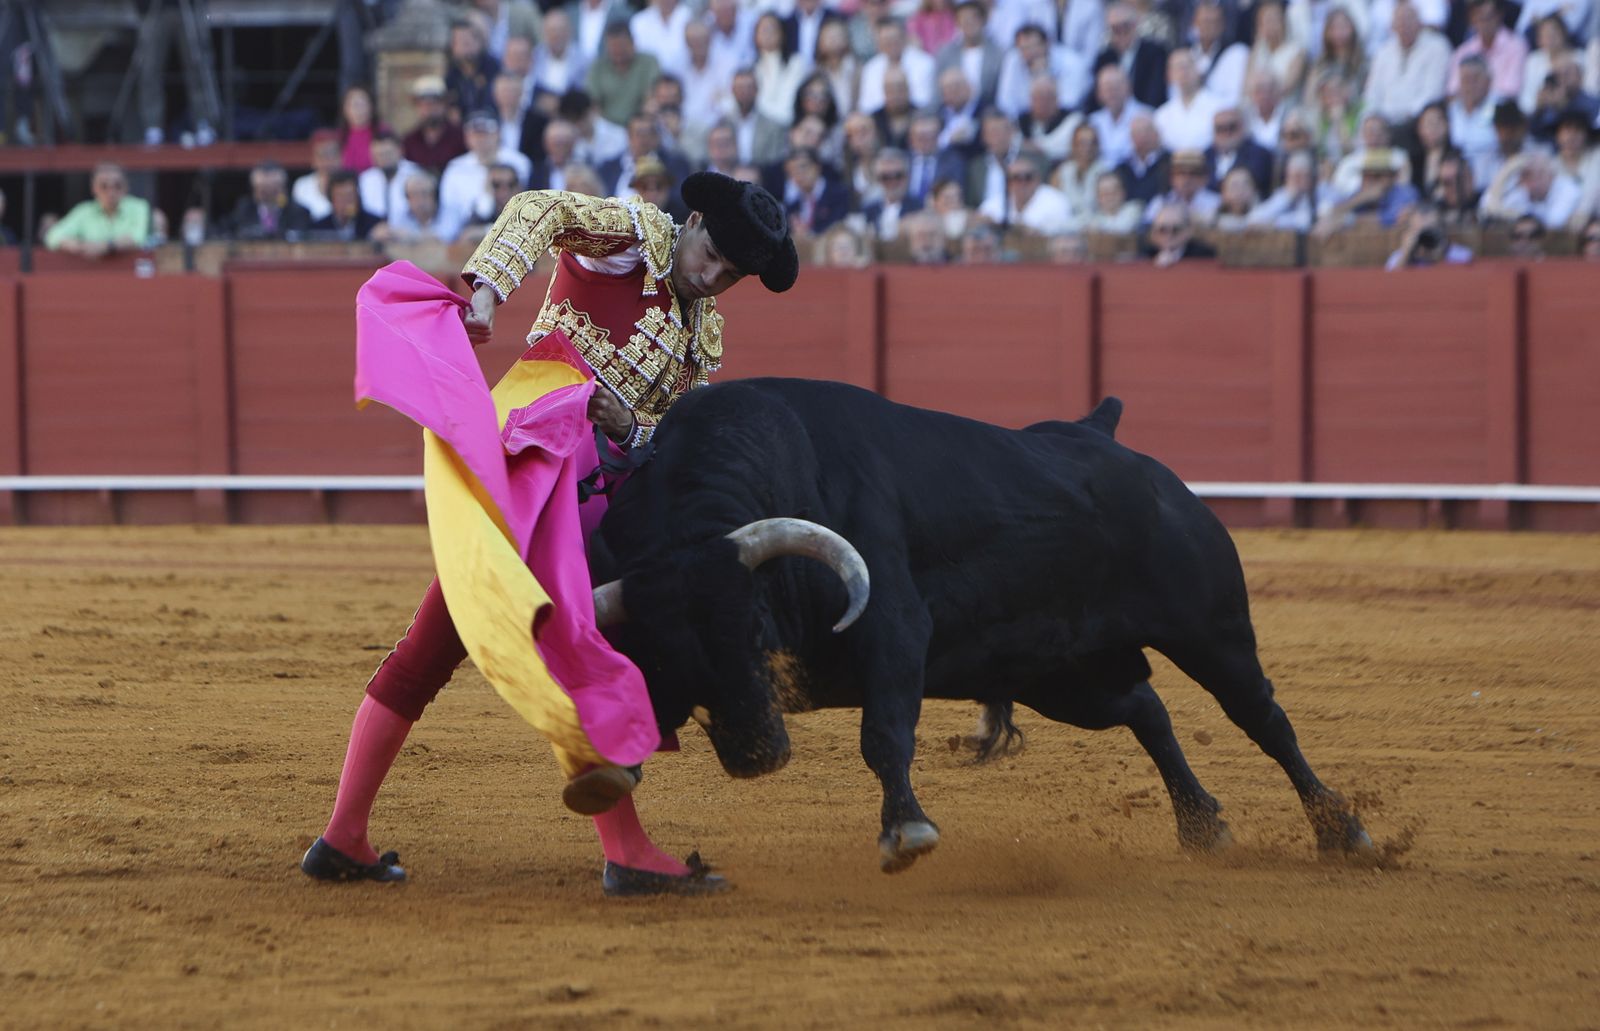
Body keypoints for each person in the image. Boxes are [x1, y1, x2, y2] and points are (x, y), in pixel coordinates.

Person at [303, 171, 800, 896]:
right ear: (692, 221)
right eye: (712, 253)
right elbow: (544, 209)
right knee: (575, 636)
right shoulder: (632, 241)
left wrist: (633, 426)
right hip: (537, 462)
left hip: (595, 495)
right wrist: (485, 291)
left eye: (732, 273)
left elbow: (678, 433)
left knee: (440, 639)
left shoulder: (706, 329)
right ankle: (626, 848)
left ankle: (343, 834)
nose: (713, 275)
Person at [44, 163, 152, 255]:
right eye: (103, 186)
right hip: (90, 273)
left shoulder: (140, 207)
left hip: (130, 273)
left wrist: (106, 246)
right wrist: (80, 246)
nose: (111, 192)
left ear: (126, 187)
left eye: (117, 186)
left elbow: (138, 237)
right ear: (94, 188)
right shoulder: (83, 211)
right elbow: (53, 236)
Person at [226, 161, 314, 240]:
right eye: (263, 189)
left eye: (273, 189)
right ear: (254, 189)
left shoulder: (298, 212)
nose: (269, 194)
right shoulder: (245, 209)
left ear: (283, 188)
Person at [402, 76, 469, 176]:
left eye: (435, 103)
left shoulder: (460, 136)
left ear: (445, 105)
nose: (430, 109)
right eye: (424, 104)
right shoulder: (410, 141)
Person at [1385, 203, 1472, 267]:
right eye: (1421, 233)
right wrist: (1406, 254)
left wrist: (1441, 255)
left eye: (1429, 232)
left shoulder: (1455, 253)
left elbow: (1467, 260)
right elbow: (1391, 274)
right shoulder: (1401, 257)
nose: (1425, 239)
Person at [308, 171, 382, 241]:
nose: (346, 202)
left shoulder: (374, 224)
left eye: (350, 196)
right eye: (341, 197)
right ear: (331, 199)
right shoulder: (319, 228)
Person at [1143, 201, 1216, 265]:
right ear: (1153, 232)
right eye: (1162, 230)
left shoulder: (1203, 255)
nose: (1169, 235)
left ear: (1188, 231)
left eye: (1175, 230)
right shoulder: (1145, 255)